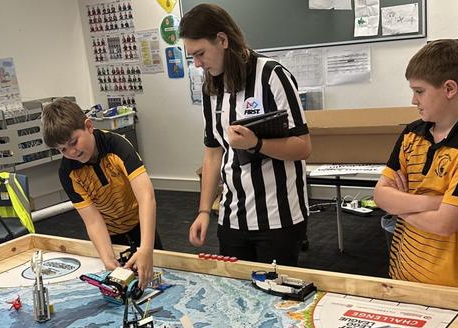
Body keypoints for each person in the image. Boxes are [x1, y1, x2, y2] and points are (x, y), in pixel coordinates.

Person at [181, 4, 311, 265]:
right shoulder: (211, 88)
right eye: (191, 56)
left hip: (278, 216)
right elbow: (213, 152)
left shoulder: (272, 75)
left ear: (222, 39)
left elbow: (303, 147)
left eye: (200, 54)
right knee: (238, 295)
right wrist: (204, 210)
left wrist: (257, 143)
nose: (197, 64)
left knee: (275, 296)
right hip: (232, 215)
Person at [373, 39, 458, 290]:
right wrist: (434, 202)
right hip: (403, 272)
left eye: (420, 91)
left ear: (449, 88)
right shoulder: (411, 134)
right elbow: (379, 195)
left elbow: (445, 224)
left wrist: (400, 204)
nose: (413, 100)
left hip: (454, 284)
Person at [41, 98, 160, 289]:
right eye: (63, 149)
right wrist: (107, 258)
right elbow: (93, 221)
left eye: (73, 142)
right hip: (110, 233)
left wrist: (146, 248)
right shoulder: (67, 173)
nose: (71, 152)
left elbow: (146, 197)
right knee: (120, 281)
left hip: (140, 224)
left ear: (89, 126)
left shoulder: (118, 145)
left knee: (154, 277)